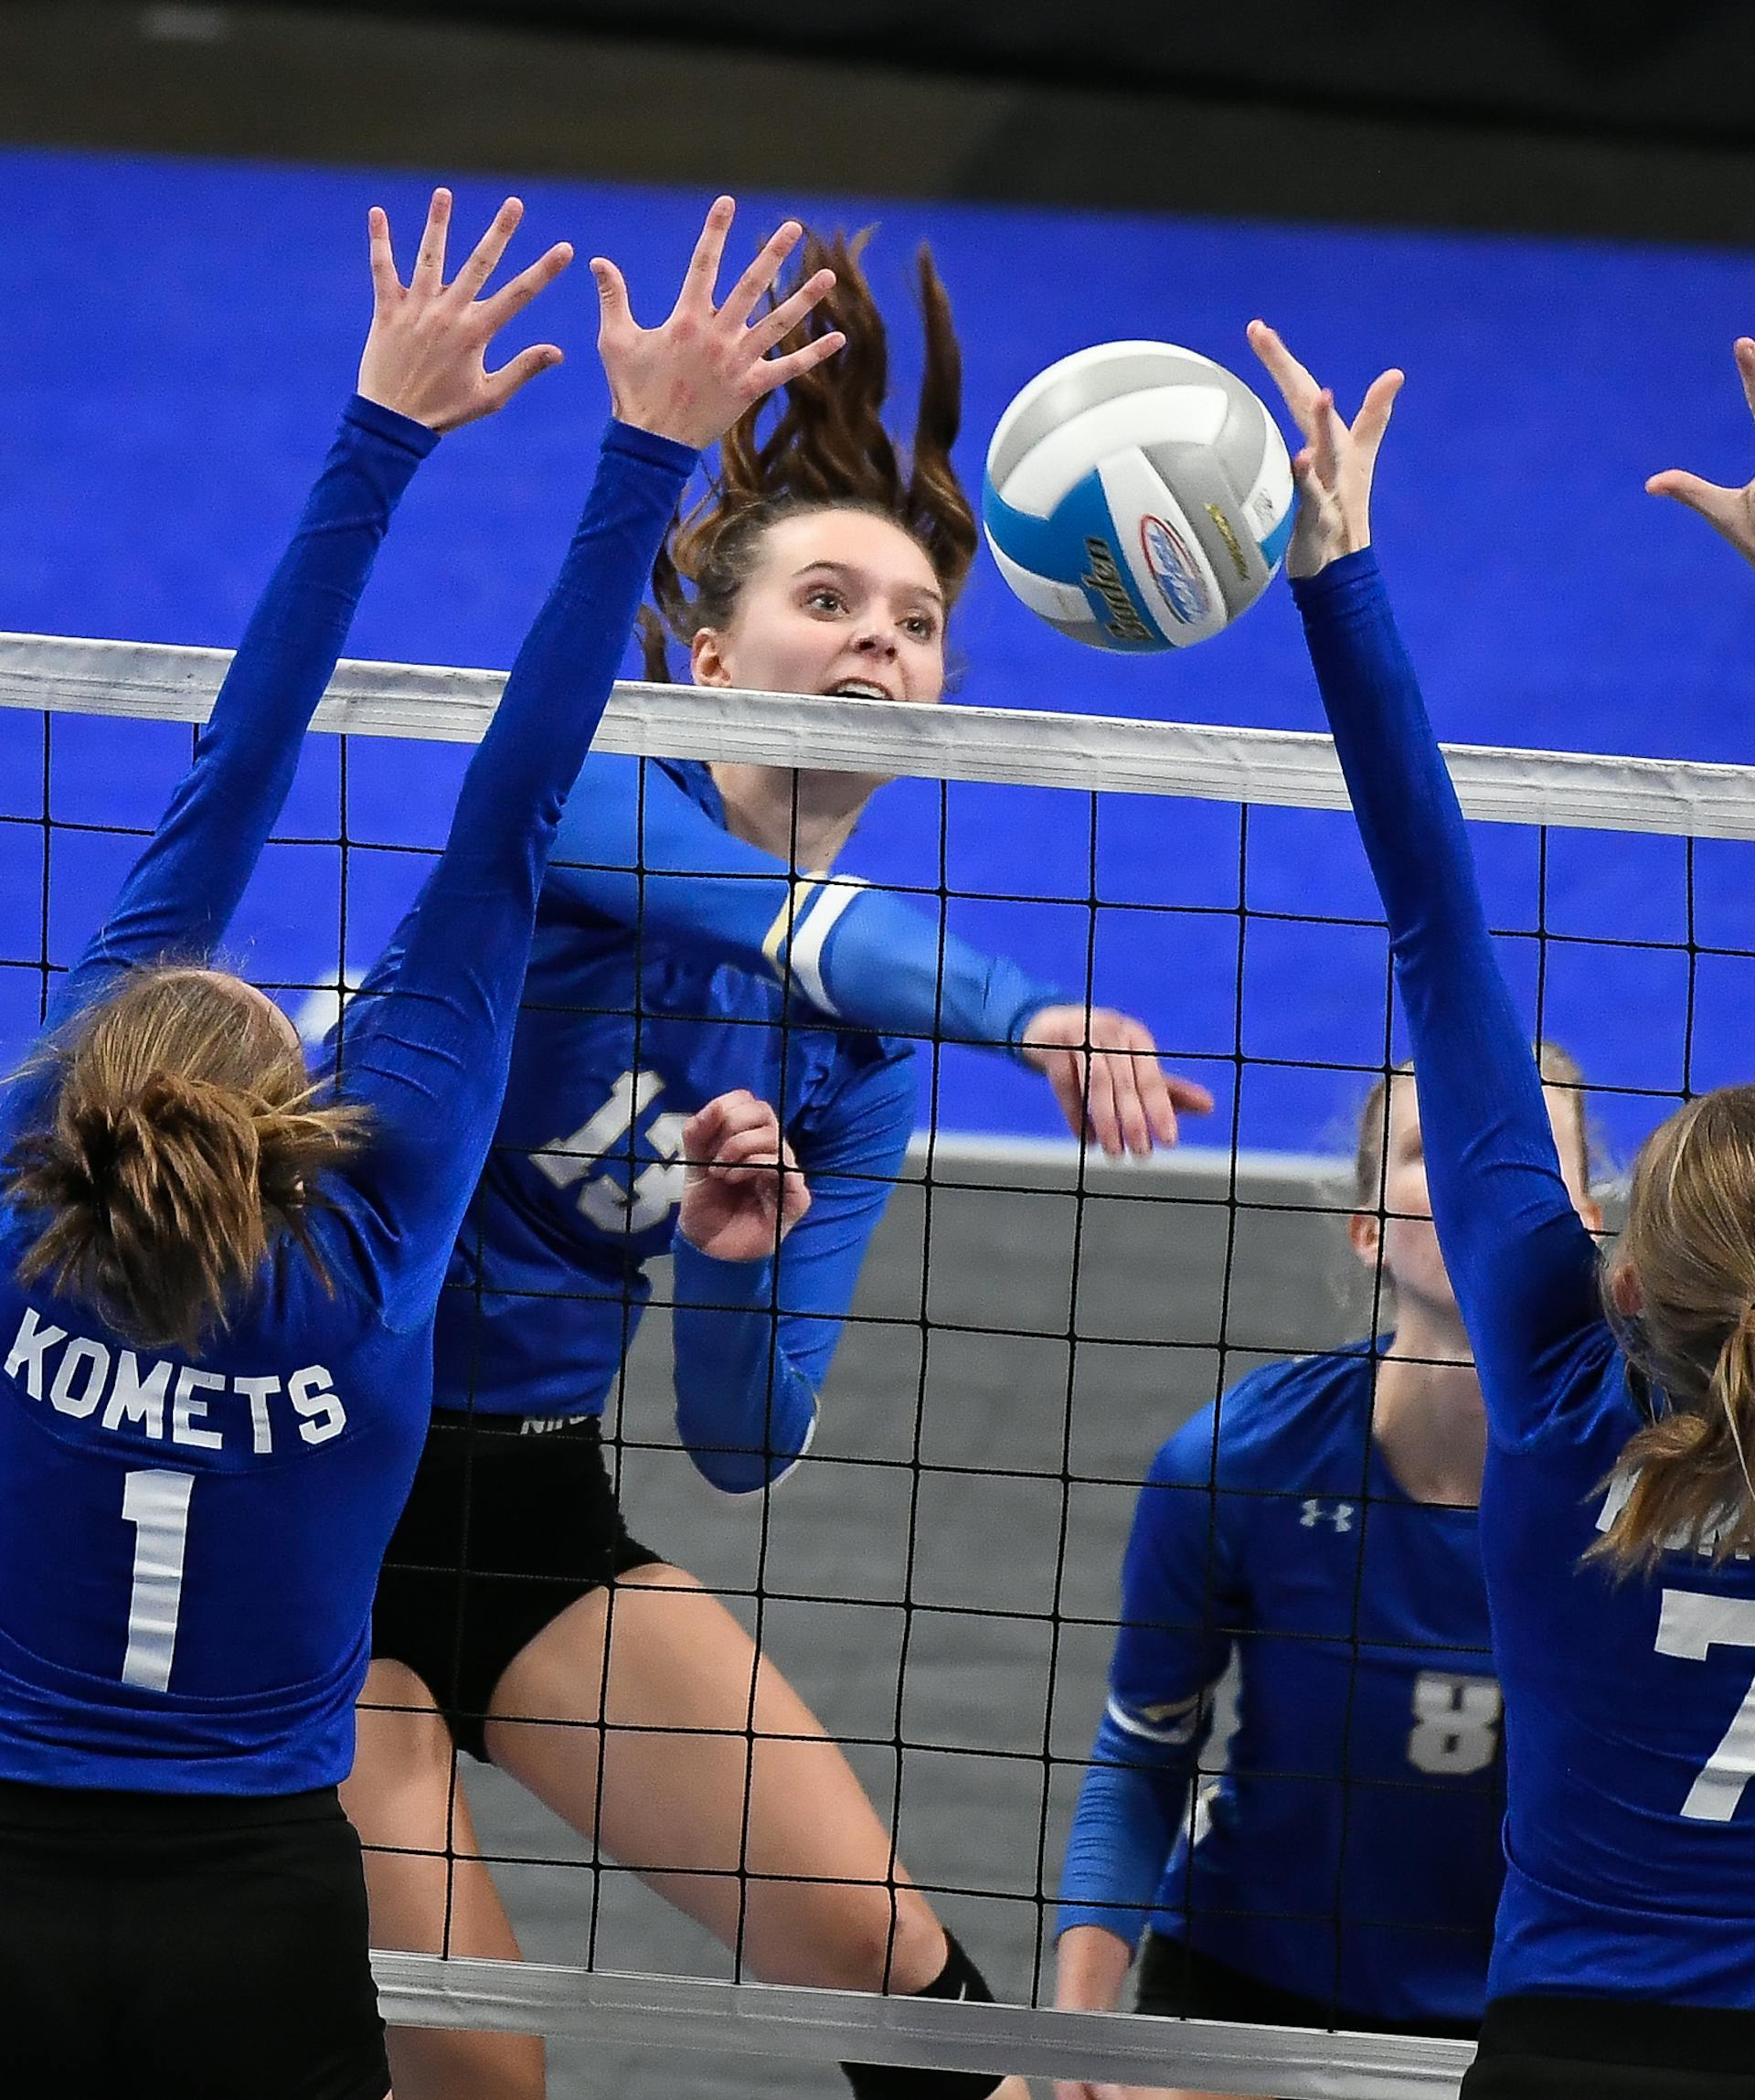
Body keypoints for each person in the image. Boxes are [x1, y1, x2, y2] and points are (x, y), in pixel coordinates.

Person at [344, 227, 1208, 2100]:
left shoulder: (856, 1060)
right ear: (718, 655)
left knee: (902, 1983)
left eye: (913, 624)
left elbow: (744, 1434)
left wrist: (737, 1247)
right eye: (832, 598)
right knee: (483, 2075)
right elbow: (799, 927)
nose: (878, 641)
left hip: (527, 1515)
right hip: (313, 1496)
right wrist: (1034, 1013)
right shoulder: (579, 798)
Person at [0, 181, 841, 2099]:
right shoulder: (372, 1261)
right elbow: (510, 811)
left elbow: (233, 767)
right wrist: (647, 448)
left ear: (87, 1088)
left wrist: (385, 427)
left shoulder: (21, 1209)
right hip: (260, 1897)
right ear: (309, 1112)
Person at [1251, 307, 1755, 2100]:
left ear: (1621, 1260)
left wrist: (1337, 574)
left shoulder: (1566, 1396)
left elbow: (1438, 929)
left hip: (1564, 2051)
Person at [1052, 1054, 1600, 2100]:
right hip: (1254, 1992)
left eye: (1520, 1146)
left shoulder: (1653, 1483)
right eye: (1427, 1149)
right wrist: (1080, 2025)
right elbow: (1142, 1750)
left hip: (1540, 2014)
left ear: (1584, 1217)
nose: (1477, 1171)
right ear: (1366, 1227)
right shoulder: (1240, 1462)